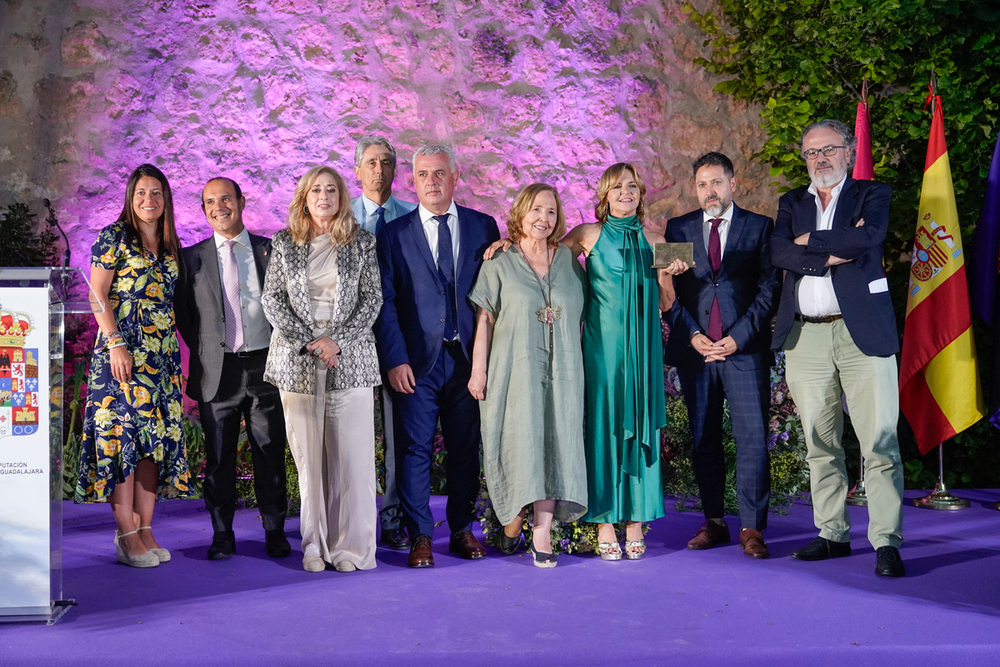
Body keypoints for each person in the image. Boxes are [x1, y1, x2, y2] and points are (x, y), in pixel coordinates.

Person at [488, 163, 679, 560]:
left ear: (641, 192)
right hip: (600, 349)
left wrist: (666, 275)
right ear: (605, 195)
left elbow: (666, 304)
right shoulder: (586, 235)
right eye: (616, 187)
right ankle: (605, 519)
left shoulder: (660, 238)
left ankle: (636, 521)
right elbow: (542, 255)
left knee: (641, 424)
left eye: (632, 186)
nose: (625, 192)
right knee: (604, 426)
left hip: (643, 351)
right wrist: (506, 242)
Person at [771, 118, 905, 577]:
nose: (820, 159)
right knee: (819, 442)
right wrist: (830, 253)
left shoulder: (872, 195)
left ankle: (885, 541)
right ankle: (832, 533)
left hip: (860, 332)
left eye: (829, 150)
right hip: (805, 336)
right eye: (811, 152)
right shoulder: (791, 202)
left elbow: (869, 237)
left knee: (879, 442)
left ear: (848, 151)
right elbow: (778, 252)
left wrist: (809, 243)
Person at [374, 144, 500, 568]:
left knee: (466, 448)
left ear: (455, 175)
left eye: (439, 173)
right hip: (416, 363)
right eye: (424, 174)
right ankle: (421, 535)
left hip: (469, 359)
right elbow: (386, 301)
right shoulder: (393, 233)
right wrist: (394, 358)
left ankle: (463, 529)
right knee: (415, 449)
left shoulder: (485, 227)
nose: (432, 181)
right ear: (413, 179)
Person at [261, 165, 383, 573]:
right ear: (304, 197)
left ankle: (351, 548)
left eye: (331, 189)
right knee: (309, 463)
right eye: (316, 190)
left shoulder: (362, 243)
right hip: (297, 362)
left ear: (342, 197)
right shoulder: (283, 242)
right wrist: (310, 342)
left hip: (351, 360)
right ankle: (314, 546)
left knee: (351, 460)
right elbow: (272, 299)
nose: (324, 196)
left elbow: (372, 300)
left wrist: (337, 342)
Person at [664, 152, 781, 559]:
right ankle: (713, 521)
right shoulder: (676, 227)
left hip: (742, 352)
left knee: (751, 439)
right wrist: (693, 335)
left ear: (733, 183)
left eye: (716, 182)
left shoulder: (760, 227)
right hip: (697, 355)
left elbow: (770, 290)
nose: (709, 191)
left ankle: (752, 527)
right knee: (703, 440)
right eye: (701, 184)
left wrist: (738, 338)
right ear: (694, 188)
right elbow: (668, 295)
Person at [467, 183, 589, 568]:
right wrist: (478, 370)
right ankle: (514, 516)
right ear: (520, 213)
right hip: (514, 370)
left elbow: (585, 315)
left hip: (565, 371)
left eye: (551, 212)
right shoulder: (499, 262)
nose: (543, 218)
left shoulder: (570, 263)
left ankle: (541, 532)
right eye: (536, 210)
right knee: (522, 443)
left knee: (558, 443)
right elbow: (484, 320)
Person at [75, 163, 189, 568]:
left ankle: (145, 527)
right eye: (141, 192)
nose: (148, 200)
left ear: (166, 199)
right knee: (121, 438)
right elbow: (96, 294)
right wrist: (116, 343)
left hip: (160, 357)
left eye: (156, 192)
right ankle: (125, 530)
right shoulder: (115, 236)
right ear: (130, 196)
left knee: (152, 441)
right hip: (121, 355)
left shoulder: (172, 244)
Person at [175, 177, 290, 561]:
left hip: (264, 366)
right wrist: (210, 352)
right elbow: (186, 318)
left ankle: (275, 530)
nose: (219, 206)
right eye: (210, 201)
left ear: (241, 201)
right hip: (217, 371)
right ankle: (221, 533)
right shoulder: (191, 259)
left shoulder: (270, 251)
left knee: (270, 453)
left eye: (226, 198)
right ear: (203, 208)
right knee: (219, 456)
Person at [350, 136, 417, 551]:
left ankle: (393, 518)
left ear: (396, 170)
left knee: (398, 436)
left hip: (395, 342)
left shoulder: (412, 217)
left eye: (387, 162)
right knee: (352, 436)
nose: (379, 169)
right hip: (351, 344)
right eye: (371, 162)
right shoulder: (339, 215)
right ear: (356, 170)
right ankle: (353, 517)